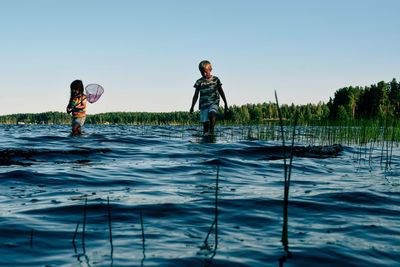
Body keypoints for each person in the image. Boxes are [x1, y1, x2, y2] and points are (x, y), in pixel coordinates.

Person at [190, 60, 228, 135]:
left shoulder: (216, 79)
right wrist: (192, 106)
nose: (204, 74)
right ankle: (206, 139)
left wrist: (226, 104)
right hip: (203, 105)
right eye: (202, 72)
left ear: (210, 70)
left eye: (206, 72)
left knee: (212, 114)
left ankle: (212, 132)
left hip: (214, 102)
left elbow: (221, 91)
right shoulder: (199, 82)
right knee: (205, 128)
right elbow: (195, 95)